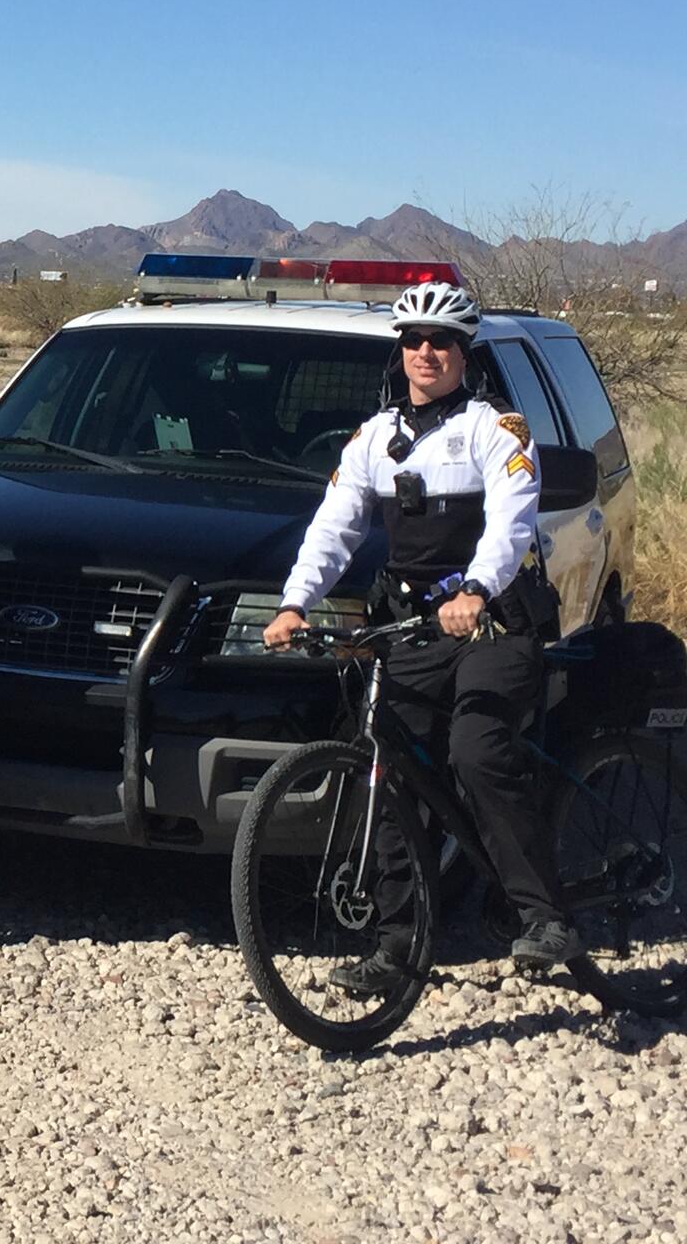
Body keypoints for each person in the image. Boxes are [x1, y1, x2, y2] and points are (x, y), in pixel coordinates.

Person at [261, 279, 575, 994]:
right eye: (413, 342)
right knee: (386, 770)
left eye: (442, 342)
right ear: (400, 352)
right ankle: (398, 947)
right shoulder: (376, 438)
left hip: (492, 623)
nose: (426, 353)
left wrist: (475, 589)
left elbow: (511, 524)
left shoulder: (497, 430)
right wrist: (294, 603)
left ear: (465, 352)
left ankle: (544, 914)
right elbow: (333, 529)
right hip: (411, 629)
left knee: (476, 747)